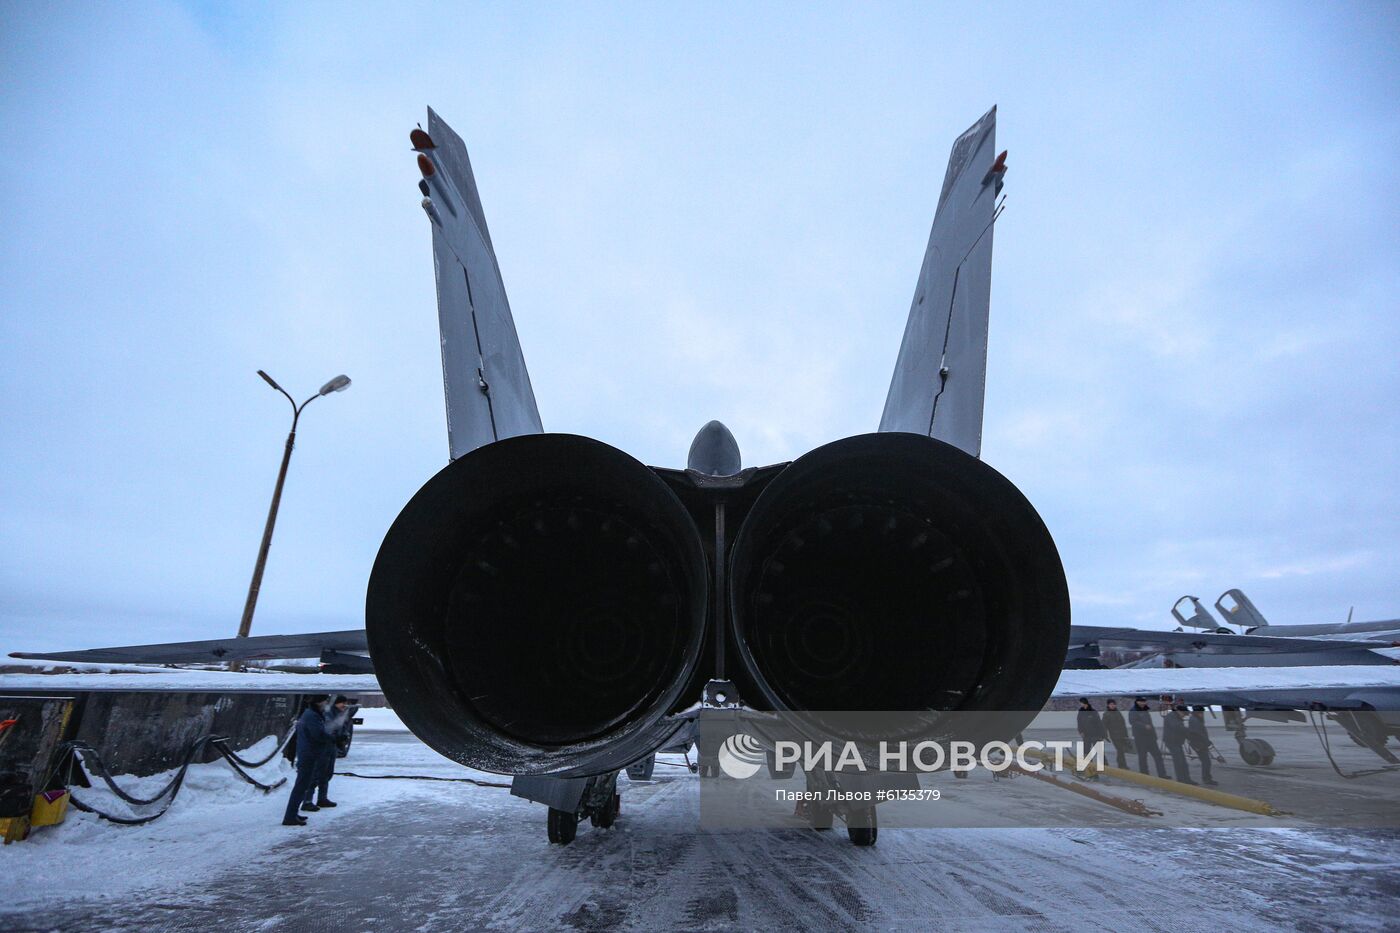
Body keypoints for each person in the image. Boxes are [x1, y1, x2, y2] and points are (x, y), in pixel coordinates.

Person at [283, 695, 335, 826]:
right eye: (325, 701)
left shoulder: (311, 714)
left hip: (309, 753)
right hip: (308, 754)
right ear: (319, 702)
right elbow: (317, 734)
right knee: (301, 786)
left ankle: (293, 813)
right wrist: (334, 738)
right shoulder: (312, 716)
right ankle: (290, 816)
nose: (326, 704)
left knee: (303, 785)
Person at [302, 696, 355, 812]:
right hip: (324, 746)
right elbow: (326, 730)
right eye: (342, 703)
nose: (344, 706)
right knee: (316, 774)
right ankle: (307, 800)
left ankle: (322, 798)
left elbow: (344, 724)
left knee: (327, 774)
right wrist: (336, 737)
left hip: (331, 746)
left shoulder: (340, 713)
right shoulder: (327, 713)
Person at [1128, 697, 1168, 778]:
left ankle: (1162, 774)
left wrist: (1154, 736)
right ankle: (1144, 774)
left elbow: (1150, 723)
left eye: (1144, 702)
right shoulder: (1133, 711)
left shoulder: (1145, 710)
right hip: (1140, 738)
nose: (1143, 703)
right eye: (1141, 702)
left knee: (1158, 756)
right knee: (1142, 757)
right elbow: (1132, 722)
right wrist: (1144, 726)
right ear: (1137, 702)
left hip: (1150, 738)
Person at [1162, 704, 1195, 784]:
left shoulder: (1177, 717)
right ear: (1179, 711)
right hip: (1171, 742)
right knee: (1179, 761)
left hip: (1177, 742)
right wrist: (1188, 731)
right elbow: (1177, 727)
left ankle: (1186, 779)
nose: (1184, 716)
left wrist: (1190, 737)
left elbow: (1180, 730)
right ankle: (1181, 779)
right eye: (1184, 714)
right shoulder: (1171, 716)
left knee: (1182, 761)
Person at [1187, 706, 1218, 786]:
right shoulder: (1195, 720)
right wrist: (1206, 742)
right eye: (1202, 713)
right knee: (1206, 762)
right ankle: (1206, 779)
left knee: (1206, 761)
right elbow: (1198, 734)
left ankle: (1207, 778)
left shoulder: (1195, 719)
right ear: (1198, 712)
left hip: (1199, 743)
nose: (1202, 714)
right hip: (1199, 744)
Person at [1101, 699, 1133, 769]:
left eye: (1113, 704)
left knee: (1121, 750)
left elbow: (1123, 724)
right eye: (1111, 704)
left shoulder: (1118, 712)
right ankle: (1122, 765)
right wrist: (1105, 735)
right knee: (1120, 750)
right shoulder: (1106, 714)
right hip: (1115, 736)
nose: (1112, 706)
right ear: (1108, 705)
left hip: (1122, 735)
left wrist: (1126, 734)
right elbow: (1104, 726)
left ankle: (1121, 764)